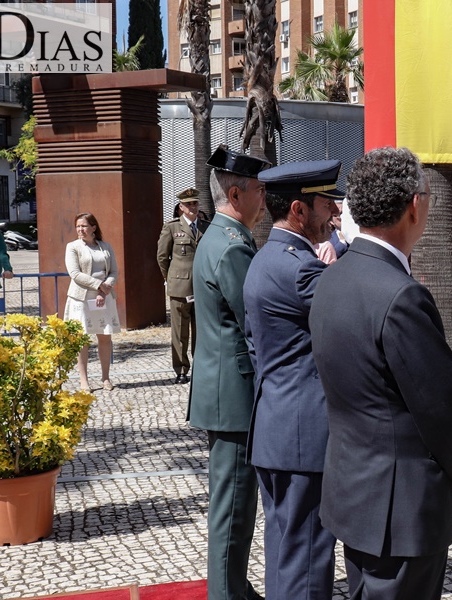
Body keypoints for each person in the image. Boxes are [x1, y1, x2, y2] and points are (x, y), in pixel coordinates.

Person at [309, 147, 452, 599]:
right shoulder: (401, 295)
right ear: (414, 205)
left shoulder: (333, 276)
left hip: (355, 491)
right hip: (400, 505)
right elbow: (440, 402)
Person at [243, 160, 341, 599]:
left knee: (286, 553)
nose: (334, 213)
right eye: (327, 203)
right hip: (304, 437)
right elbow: (355, 321)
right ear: (299, 211)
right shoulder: (302, 269)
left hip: (276, 428)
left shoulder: (266, 259)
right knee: (307, 560)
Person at [188, 145, 271, 600]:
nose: (265, 199)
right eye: (259, 190)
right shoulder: (231, 247)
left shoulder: (223, 238)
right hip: (234, 396)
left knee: (236, 503)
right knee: (234, 505)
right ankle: (226, 594)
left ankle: (234, 586)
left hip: (226, 392)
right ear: (236, 193)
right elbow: (254, 322)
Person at [156, 188, 209, 384]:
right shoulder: (171, 228)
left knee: (201, 331)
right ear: (181, 207)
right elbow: (162, 257)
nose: (192, 207)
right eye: (188, 204)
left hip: (203, 287)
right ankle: (180, 370)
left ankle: (200, 367)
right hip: (180, 287)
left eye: (195, 203)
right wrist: (170, 278)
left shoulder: (207, 227)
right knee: (179, 332)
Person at [64, 212, 119, 391]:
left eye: (84, 226)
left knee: (104, 337)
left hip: (103, 297)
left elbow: (114, 272)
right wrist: (99, 285)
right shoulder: (73, 247)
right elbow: (75, 273)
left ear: (93, 227)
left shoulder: (105, 247)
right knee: (82, 339)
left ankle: (105, 378)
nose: (80, 229)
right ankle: (84, 380)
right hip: (81, 298)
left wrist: (105, 289)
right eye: (78, 226)